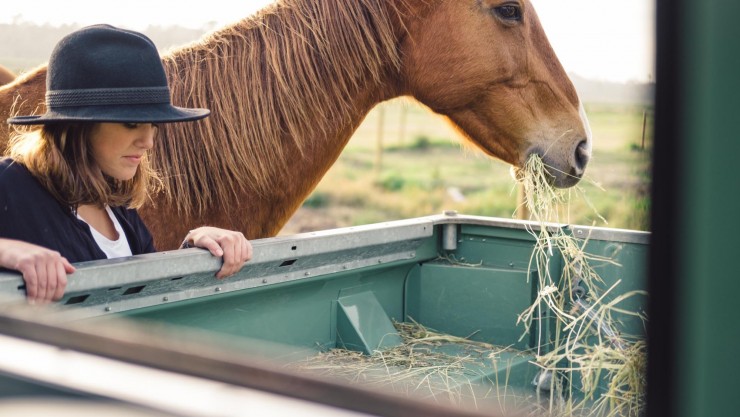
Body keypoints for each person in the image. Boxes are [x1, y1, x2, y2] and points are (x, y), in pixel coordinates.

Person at [0, 25, 253, 303]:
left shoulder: (118, 210)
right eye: (131, 124)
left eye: (153, 125)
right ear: (77, 126)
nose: (148, 142)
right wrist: (6, 250)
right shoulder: (10, 182)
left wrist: (196, 246)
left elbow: (142, 300)